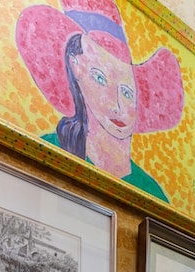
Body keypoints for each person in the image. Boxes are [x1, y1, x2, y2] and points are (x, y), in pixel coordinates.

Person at [16, 0, 184, 202]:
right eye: (100, 79)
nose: (118, 105)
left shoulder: (152, 193)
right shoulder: (48, 151)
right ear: (76, 68)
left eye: (128, 93)